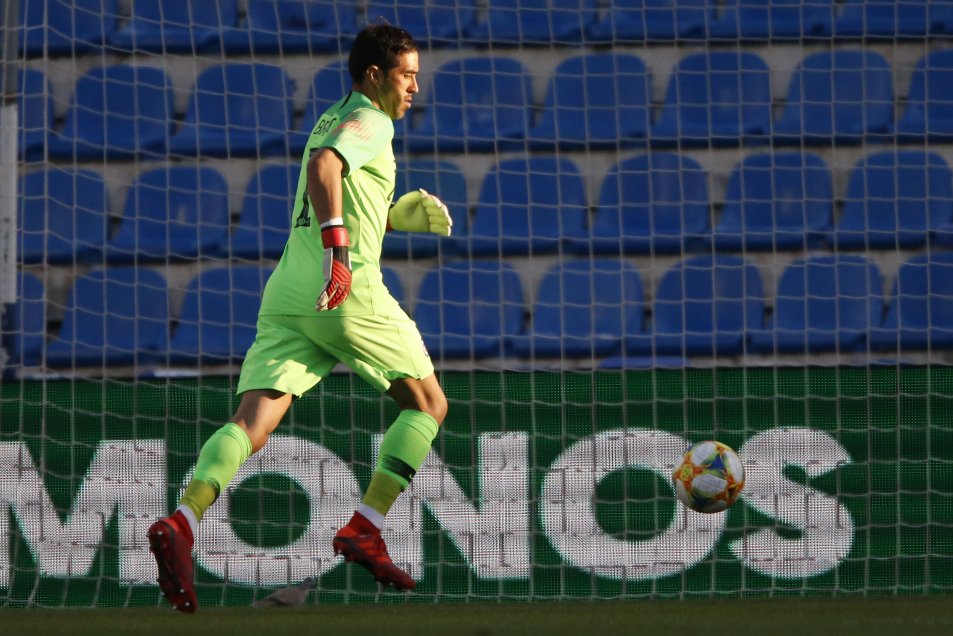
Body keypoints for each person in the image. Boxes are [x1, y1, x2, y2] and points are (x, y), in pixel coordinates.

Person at [147, 24, 452, 613]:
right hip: (345, 288)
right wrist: (343, 254)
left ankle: (182, 522)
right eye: (406, 74)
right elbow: (325, 170)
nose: (415, 85)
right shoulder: (371, 120)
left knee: (253, 419)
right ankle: (365, 525)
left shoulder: (334, 113)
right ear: (374, 75)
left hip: (289, 291)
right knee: (429, 404)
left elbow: (332, 180)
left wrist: (391, 219)